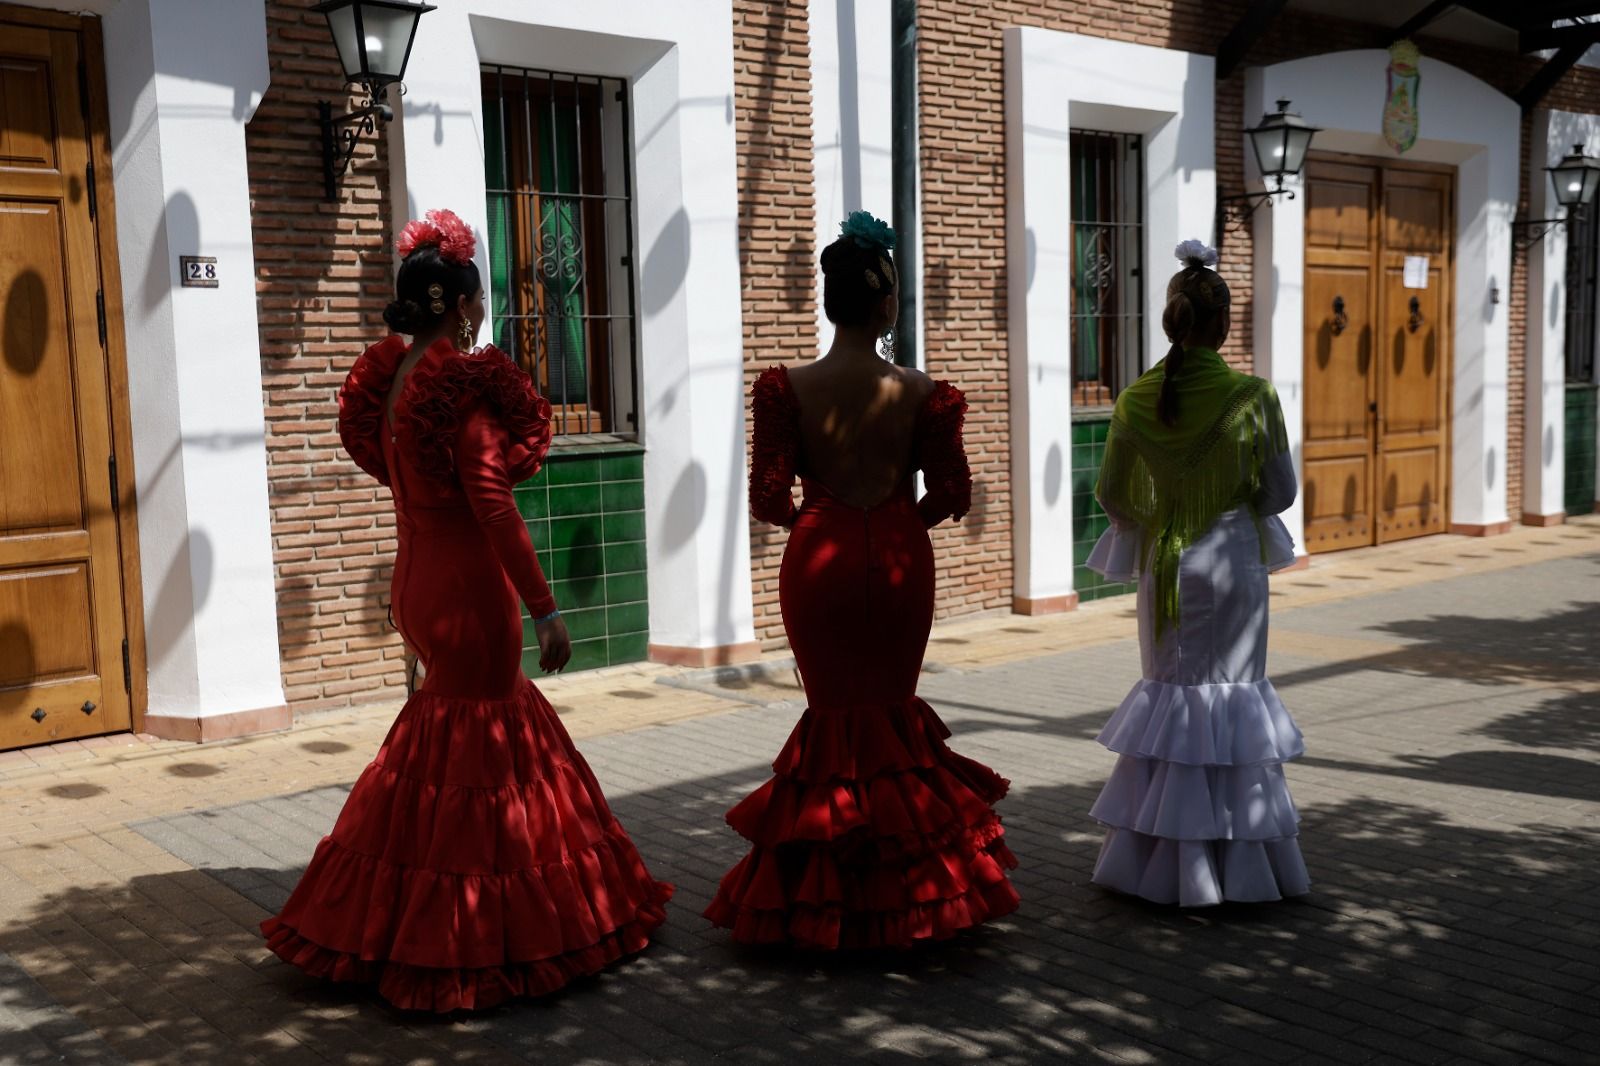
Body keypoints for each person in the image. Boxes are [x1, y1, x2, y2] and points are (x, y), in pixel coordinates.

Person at [261, 209, 672, 1011]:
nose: (482, 312)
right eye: (477, 299)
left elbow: (406, 480)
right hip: (466, 591)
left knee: (435, 750)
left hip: (415, 584)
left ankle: (393, 920)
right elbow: (493, 505)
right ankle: (471, 934)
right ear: (458, 304)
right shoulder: (458, 383)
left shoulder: (391, 383)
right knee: (481, 751)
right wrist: (547, 608)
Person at [704, 211, 1020, 948]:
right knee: (892, 710)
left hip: (821, 557)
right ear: (886, 303)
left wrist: (822, 519)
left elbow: (766, 498)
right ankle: (918, 891)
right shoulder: (924, 392)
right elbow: (951, 495)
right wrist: (897, 516)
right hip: (904, 556)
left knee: (836, 716)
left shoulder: (787, 388)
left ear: (828, 300)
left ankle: (828, 894)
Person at [1084, 240, 1308, 907]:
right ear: (1223, 324)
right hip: (1235, 558)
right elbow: (1281, 491)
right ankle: (1239, 865)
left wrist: (1166, 512)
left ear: (1170, 320)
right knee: (1234, 694)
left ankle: (1159, 862)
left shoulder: (1134, 398)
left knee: (1174, 692)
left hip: (1166, 562)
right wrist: (1228, 506)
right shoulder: (1253, 395)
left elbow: (1112, 496)